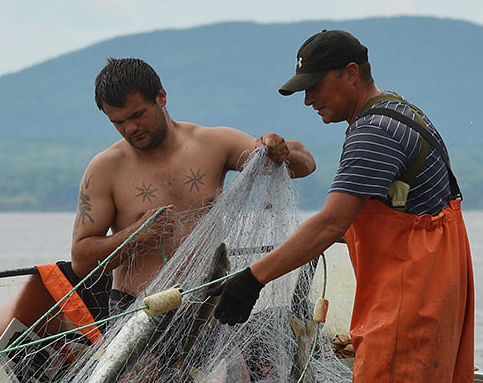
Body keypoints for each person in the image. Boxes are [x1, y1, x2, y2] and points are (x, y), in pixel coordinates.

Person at [213, 30, 475, 383]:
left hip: (409, 300)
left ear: (351, 73)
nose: (308, 100)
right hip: (433, 292)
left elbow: (331, 224)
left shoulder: (374, 132)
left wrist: (252, 278)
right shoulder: (401, 113)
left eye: (315, 87)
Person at [71, 57, 315, 303]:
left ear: (161, 97)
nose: (130, 129)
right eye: (119, 122)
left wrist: (279, 148)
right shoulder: (104, 169)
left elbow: (305, 163)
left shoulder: (213, 144)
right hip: (136, 308)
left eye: (138, 115)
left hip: (206, 304)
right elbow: (81, 262)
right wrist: (137, 234)